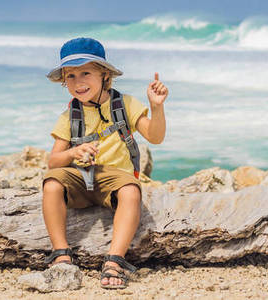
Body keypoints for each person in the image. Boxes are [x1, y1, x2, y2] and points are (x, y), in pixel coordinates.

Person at [40, 37, 167, 289]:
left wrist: (156, 108)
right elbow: (53, 161)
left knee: (131, 191)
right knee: (51, 184)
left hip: (115, 176)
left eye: (86, 72)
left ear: (104, 75)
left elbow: (156, 136)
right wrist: (73, 153)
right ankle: (61, 252)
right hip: (80, 177)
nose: (78, 82)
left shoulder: (125, 105)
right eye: (71, 76)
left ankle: (115, 260)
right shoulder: (70, 116)